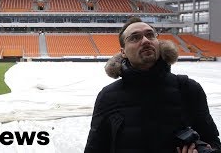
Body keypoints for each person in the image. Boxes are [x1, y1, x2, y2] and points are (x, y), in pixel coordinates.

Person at [84, 17, 221, 153]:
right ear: (123, 52)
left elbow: (213, 141)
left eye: (150, 35)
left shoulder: (188, 88)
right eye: (135, 38)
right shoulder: (107, 96)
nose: (145, 40)